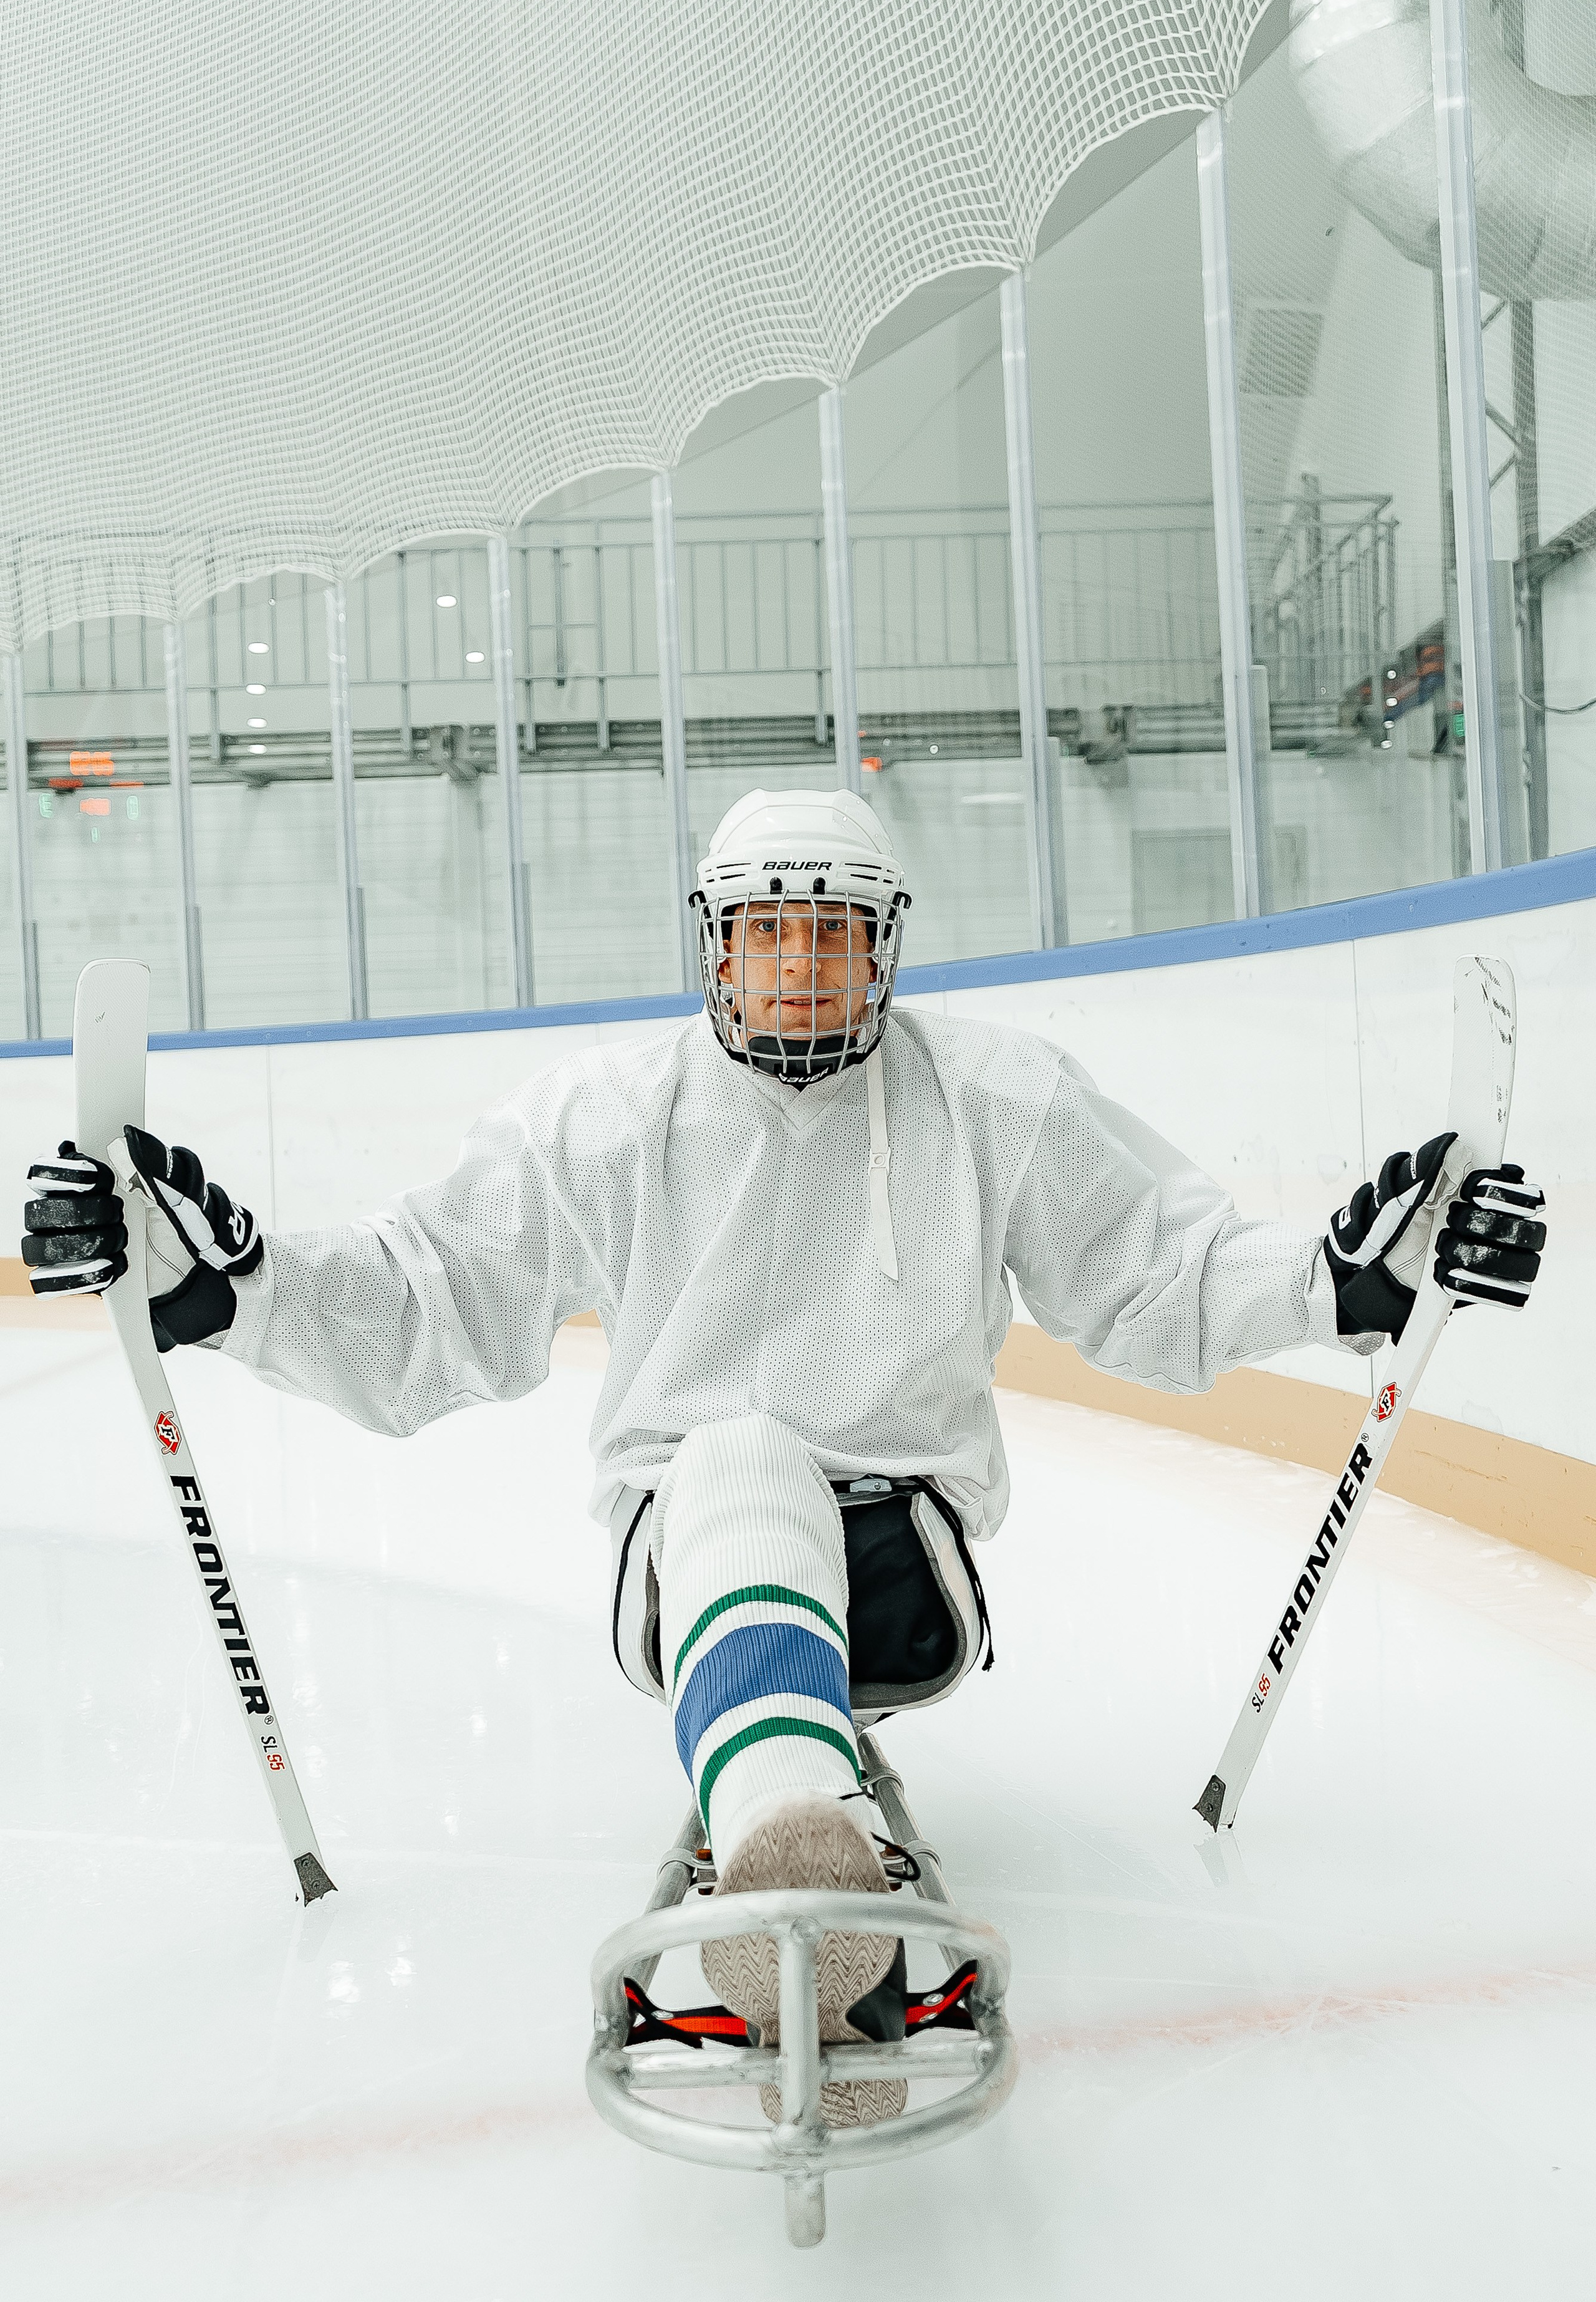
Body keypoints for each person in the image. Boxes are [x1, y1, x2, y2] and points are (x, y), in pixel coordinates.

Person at [22, 788, 1547, 2126]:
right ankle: (805, 1865)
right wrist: (220, 1280)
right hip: (678, 1569)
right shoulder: (609, 1119)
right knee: (732, 1448)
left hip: (903, 1563)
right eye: (768, 934)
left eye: (830, 935)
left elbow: (1159, 1272)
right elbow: (426, 1301)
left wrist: (1349, 1277)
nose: (798, 966)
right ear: (715, 942)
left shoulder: (995, 1098)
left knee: (760, 1450)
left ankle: (781, 1850)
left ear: (883, 945)